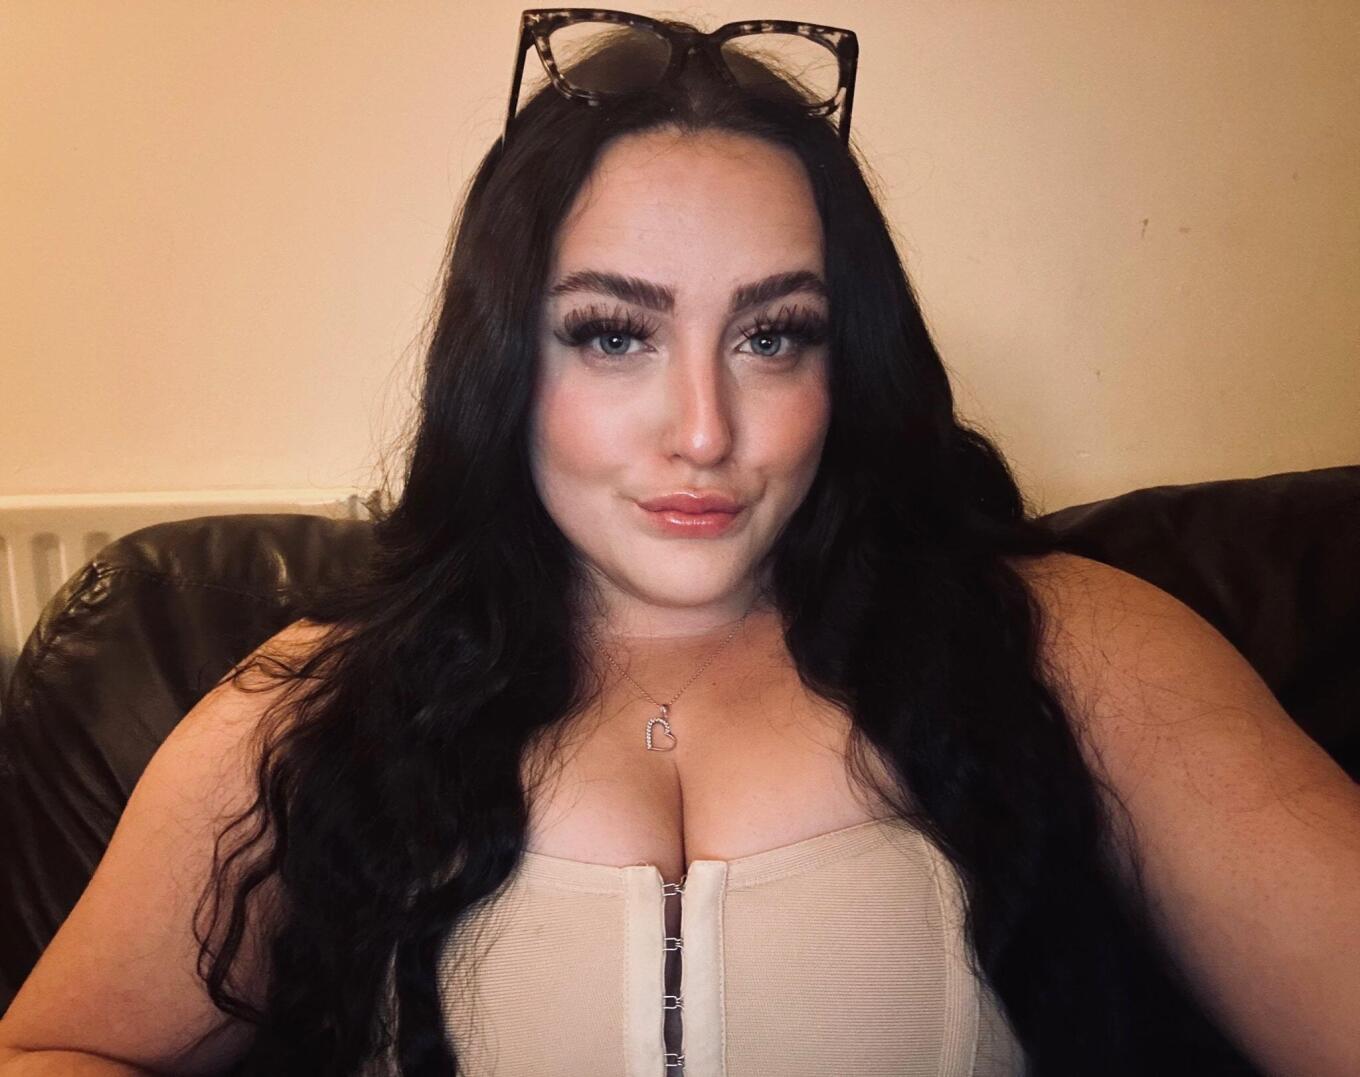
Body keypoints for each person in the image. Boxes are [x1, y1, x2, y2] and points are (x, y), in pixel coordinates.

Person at [2, 10, 1356, 1077]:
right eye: (614, 333)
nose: (704, 429)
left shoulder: (1073, 647)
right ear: (505, 364)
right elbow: (54, 1047)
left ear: (847, 361)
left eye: (772, 335)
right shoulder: (311, 706)